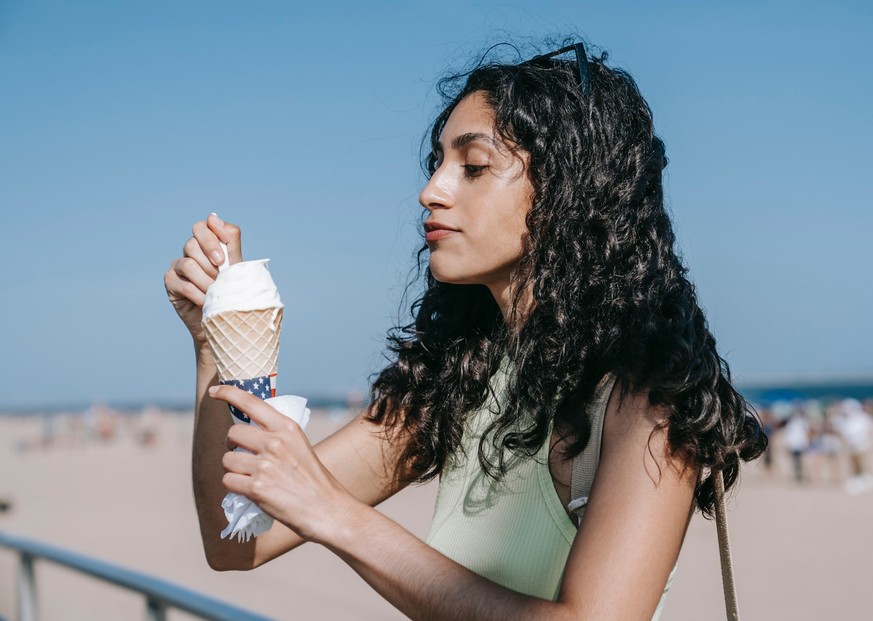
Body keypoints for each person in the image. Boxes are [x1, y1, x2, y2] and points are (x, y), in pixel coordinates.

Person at [164, 39, 766, 620]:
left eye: (473, 166)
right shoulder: (457, 376)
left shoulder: (647, 393)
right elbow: (236, 544)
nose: (431, 191)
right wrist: (215, 340)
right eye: (437, 163)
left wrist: (334, 513)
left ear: (568, 190)